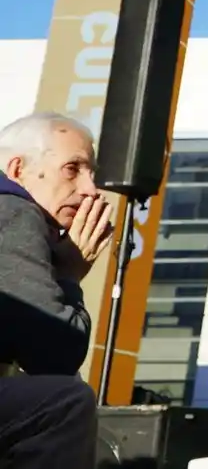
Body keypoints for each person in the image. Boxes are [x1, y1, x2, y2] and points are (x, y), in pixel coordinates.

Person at [0, 112, 115, 469]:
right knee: (66, 402)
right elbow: (55, 354)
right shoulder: (15, 210)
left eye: (91, 173)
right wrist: (69, 276)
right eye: (73, 169)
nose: (89, 190)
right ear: (18, 169)